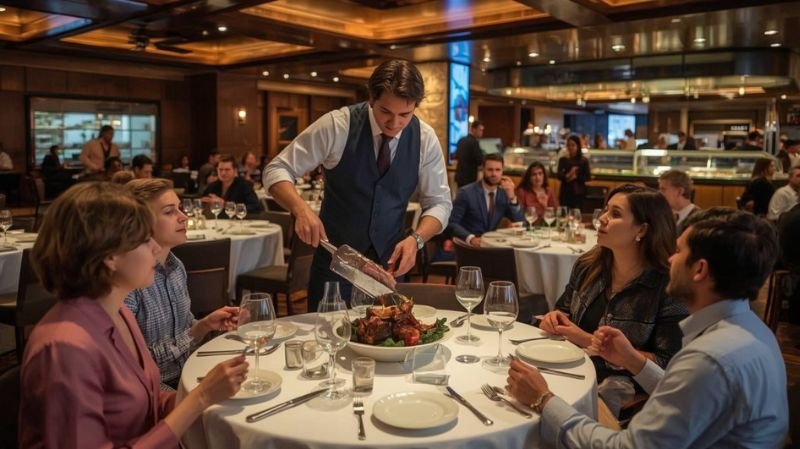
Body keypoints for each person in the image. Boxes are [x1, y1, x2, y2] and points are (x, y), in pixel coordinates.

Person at [507, 208, 787, 448]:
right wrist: (632, 360)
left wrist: (543, 399)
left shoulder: (710, 358)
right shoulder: (751, 329)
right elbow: (686, 395)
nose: (670, 260)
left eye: (678, 252)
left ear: (699, 270)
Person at [20, 182, 248, 448]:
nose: (154, 249)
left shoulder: (117, 313)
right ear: (110, 256)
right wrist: (200, 399)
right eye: (142, 239)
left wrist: (206, 396)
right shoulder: (65, 347)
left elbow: (147, 403)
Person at [263, 59, 452, 310]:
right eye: (386, 112)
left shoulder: (425, 138)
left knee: (390, 342)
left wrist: (416, 239)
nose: (394, 124)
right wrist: (301, 209)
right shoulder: (337, 125)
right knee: (327, 344)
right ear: (372, 99)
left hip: (388, 271)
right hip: (335, 268)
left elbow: (439, 203)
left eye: (405, 114)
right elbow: (276, 169)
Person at [537, 184, 687, 415]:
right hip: (569, 367)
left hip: (619, 390)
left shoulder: (667, 286)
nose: (602, 219)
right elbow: (563, 309)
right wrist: (554, 318)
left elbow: (669, 365)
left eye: (615, 214)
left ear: (643, 230)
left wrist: (583, 338)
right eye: (605, 210)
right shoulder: (589, 265)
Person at [125, 178, 240, 389]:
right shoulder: (129, 281)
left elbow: (185, 331)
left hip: (187, 373)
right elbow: (132, 363)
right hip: (153, 388)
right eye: (170, 212)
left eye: (180, 209)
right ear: (140, 222)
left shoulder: (176, 266)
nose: (184, 217)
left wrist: (206, 325)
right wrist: (195, 332)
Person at [448, 153, 523, 247]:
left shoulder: (504, 193)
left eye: (498, 170)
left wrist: (512, 198)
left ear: (502, 171)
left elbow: (519, 222)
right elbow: (451, 223)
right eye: (490, 170)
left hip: (493, 246)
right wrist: (470, 238)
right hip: (469, 247)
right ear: (483, 169)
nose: (494, 174)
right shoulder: (466, 193)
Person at [658, 169, 701, 234]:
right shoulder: (666, 215)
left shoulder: (699, 220)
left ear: (679, 191)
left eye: (663, 189)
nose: (659, 194)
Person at [557, 135, 591, 210]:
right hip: (565, 193)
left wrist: (576, 176)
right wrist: (567, 175)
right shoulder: (563, 160)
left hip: (579, 193)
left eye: (573, 145)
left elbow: (588, 177)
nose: (570, 147)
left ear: (578, 146)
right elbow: (559, 175)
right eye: (568, 145)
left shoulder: (583, 160)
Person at [454, 120, 485, 188]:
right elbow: (479, 160)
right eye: (480, 130)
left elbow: (456, 156)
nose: (481, 133)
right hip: (469, 178)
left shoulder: (461, 140)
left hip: (460, 176)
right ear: (473, 129)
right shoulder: (474, 142)